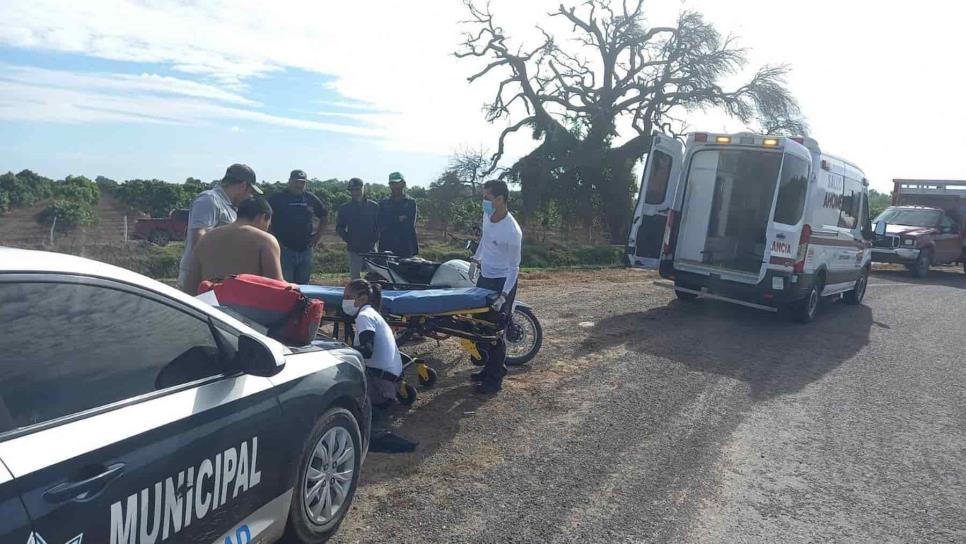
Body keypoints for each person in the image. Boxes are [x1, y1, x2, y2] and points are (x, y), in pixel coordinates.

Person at [341, 279, 418, 453]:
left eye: (347, 296)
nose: (344, 300)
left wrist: (341, 349)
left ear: (362, 298)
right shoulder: (374, 314)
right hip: (393, 381)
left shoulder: (364, 316)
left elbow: (367, 351)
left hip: (383, 386)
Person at [469, 179, 523, 394]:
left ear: (500, 199)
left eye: (487, 198)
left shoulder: (512, 232)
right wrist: (476, 260)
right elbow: (485, 239)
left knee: (494, 330)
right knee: (479, 324)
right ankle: (489, 368)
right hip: (486, 275)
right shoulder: (487, 216)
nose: (484, 202)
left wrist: (503, 295)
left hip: (503, 281)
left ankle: (494, 380)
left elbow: (514, 268)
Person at [178, 163, 261, 291]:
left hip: (215, 278)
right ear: (243, 186)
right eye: (250, 191)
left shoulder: (230, 207)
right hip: (200, 278)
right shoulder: (209, 200)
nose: (250, 196)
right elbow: (199, 239)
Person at [183, 197, 283, 295]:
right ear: (262, 217)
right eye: (268, 224)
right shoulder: (265, 240)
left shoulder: (206, 238)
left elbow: (190, 285)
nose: (267, 228)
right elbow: (276, 287)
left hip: (209, 306)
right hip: (246, 306)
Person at [268, 169, 328, 284]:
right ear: (289, 181)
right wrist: (273, 239)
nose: (299, 185)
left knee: (304, 287)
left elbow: (324, 216)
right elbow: (264, 218)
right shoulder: (277, 198)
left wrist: (317, 237)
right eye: (296, 182)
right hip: (284, 249)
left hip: (306, 250)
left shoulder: (311, 198)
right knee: (286, 286)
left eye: (302, 182)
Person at [336, 178, 379, 279]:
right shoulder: (345, 208)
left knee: (375, 276)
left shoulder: (374, 206)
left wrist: (375, 238)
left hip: (371, 248)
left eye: (357, 189)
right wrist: (348, 238)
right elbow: (339, 227)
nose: (355, 192)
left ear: (363, 189)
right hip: (354, 248)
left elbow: (379, 225)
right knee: (355, 278)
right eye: (352, 190)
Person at [377, 171, 419, 258]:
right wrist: (398, 219)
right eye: (392, 183)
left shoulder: (411, 202)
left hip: (406, 246)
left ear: (403, 184)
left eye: (397, 183)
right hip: (386, 246)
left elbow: (410, 224)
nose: (394, 186)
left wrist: (390, 220)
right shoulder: (383, 203)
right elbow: (380, 223)